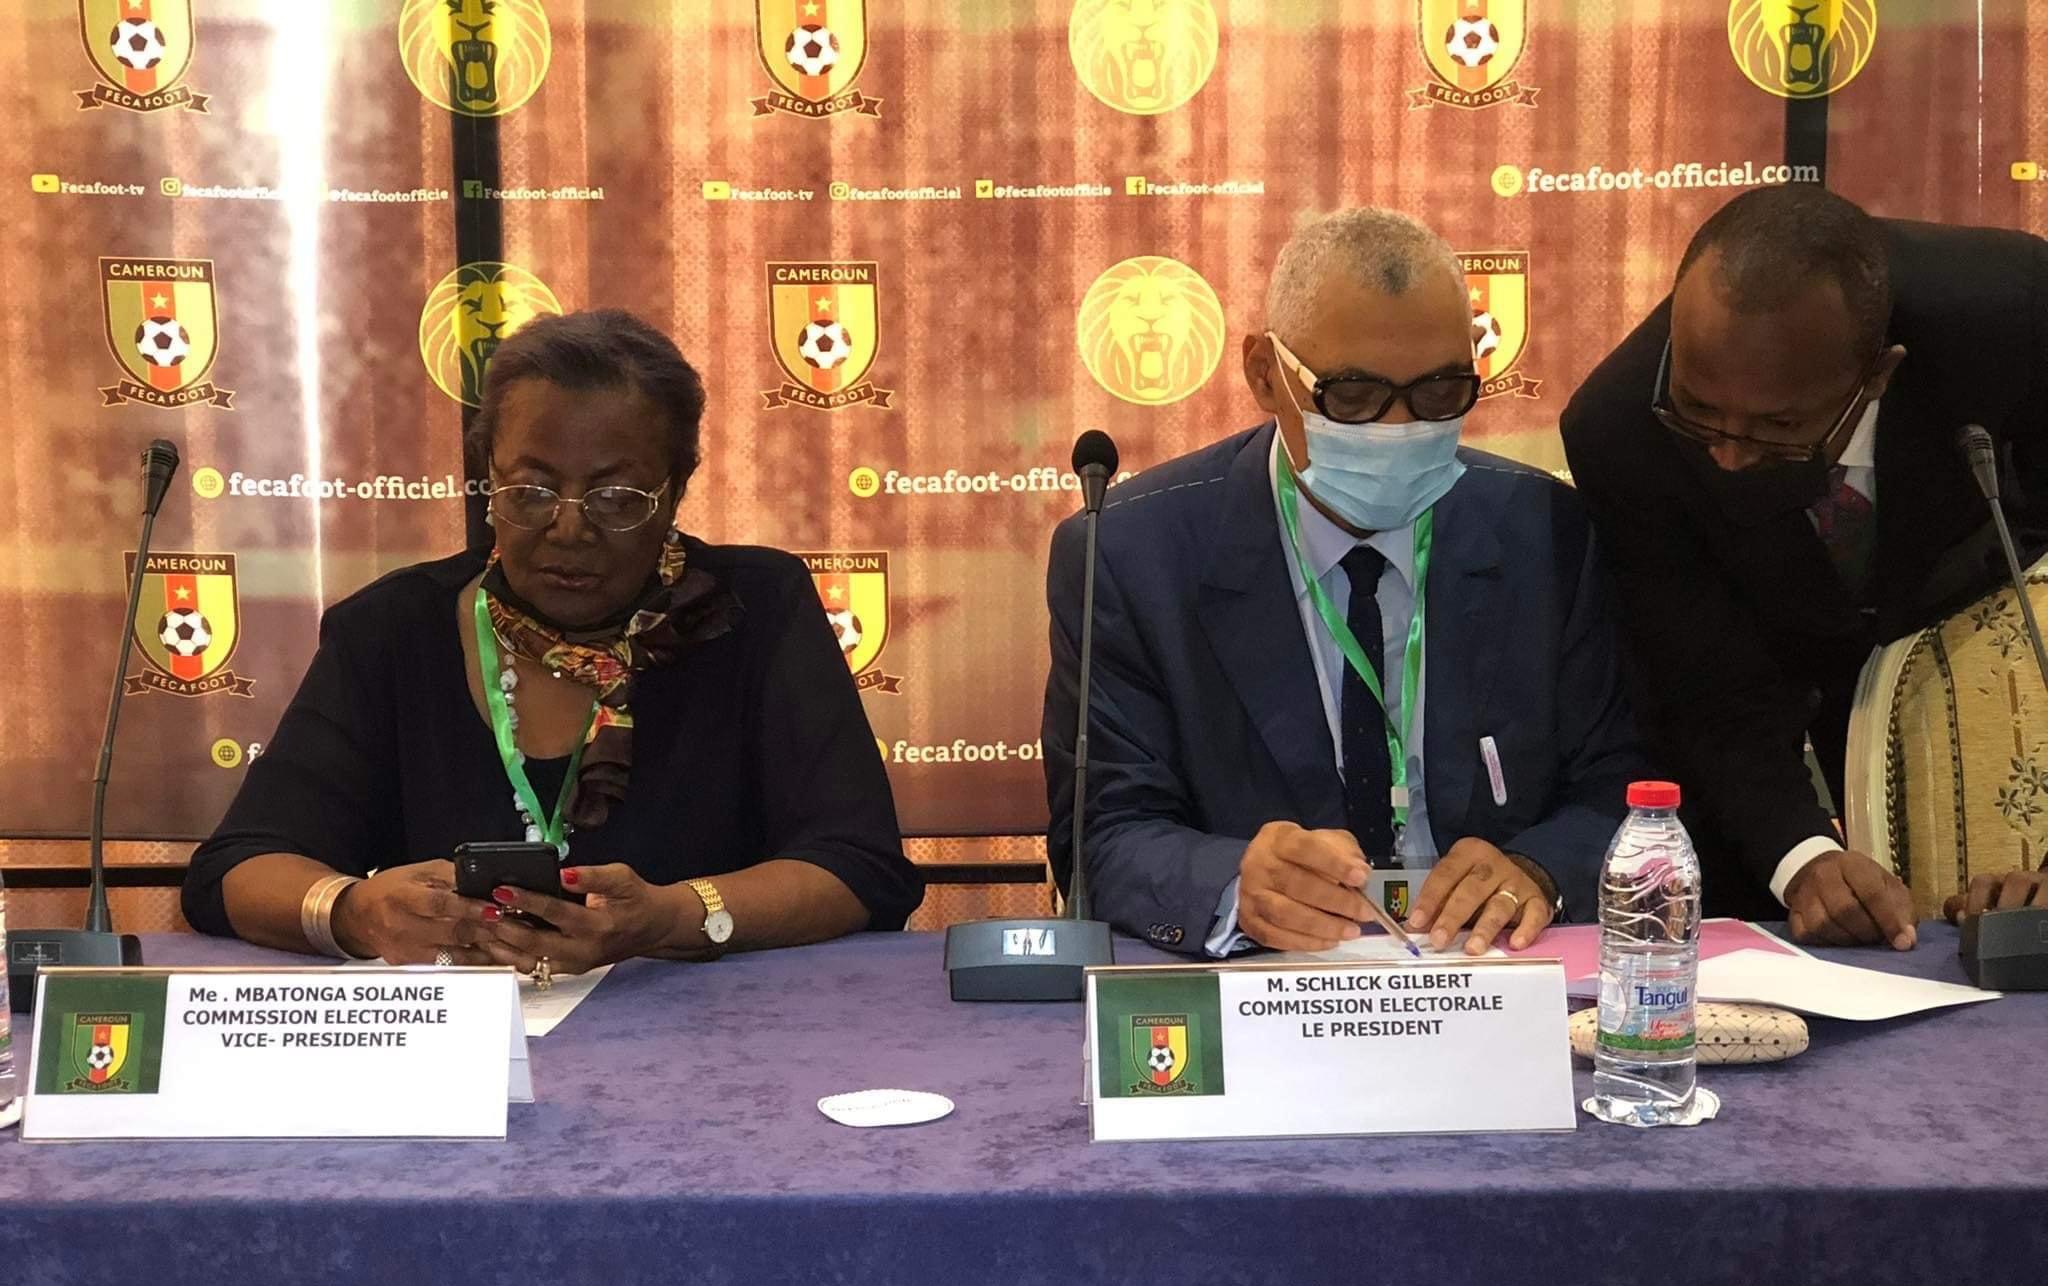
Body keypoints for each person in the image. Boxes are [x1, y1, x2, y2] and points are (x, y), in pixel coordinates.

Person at [183, 309, 923, 974]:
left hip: (715, 1045)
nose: (569, 529)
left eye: (616, 498)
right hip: (463, 1053)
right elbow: (237, 869)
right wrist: (353, 911)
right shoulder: (393, 629)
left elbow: (859, 868)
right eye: (531, 491)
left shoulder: (756, 610)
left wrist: (673, 917)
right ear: (489, 477)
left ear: (676, 488)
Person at [1042, 208, 1642, 958]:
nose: (1400, 428)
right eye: (1353, 396)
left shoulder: (1546, 533)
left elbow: (1622, 788)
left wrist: (1540, 869)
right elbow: (1103, 833)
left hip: (1486, 966)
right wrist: (1234, 884)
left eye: (1440, 392)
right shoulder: (1133, 555)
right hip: (1271, 978)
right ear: (1266, 375)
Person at [1562, 187, 2048, 948]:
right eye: (1698, 411)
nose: (1727, 455)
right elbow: (1705, 682)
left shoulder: (2013, 317)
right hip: (1771, 686)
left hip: (1980, 643)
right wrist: (1805, 857)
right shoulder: (1620, 428)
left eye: (1778, 425)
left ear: (1878, 375)